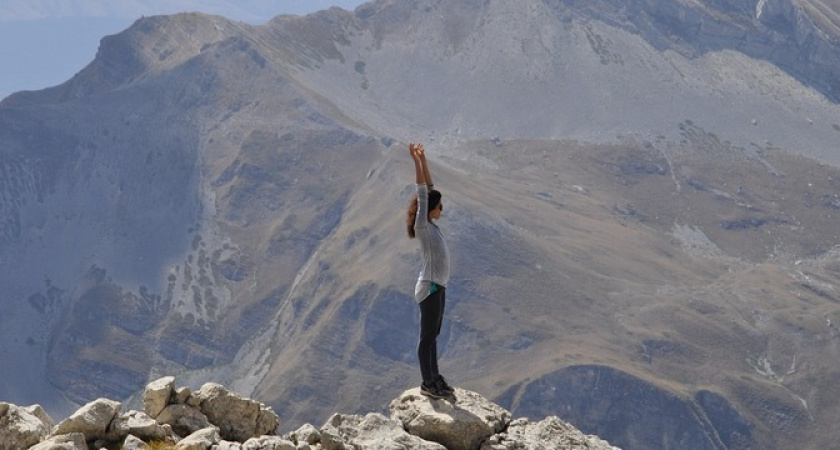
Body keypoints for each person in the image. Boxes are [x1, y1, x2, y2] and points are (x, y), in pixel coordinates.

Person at [406, 142, 455, 399]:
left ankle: (435, 377)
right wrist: (415, 162)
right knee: (427, 337)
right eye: (440, 206)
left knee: (434, 334)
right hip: (430, 287)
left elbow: (430, 189)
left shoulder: (432, 226)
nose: (441, 209)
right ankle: (427, 382)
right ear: (431, 209)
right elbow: (423, 193)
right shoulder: (423, 227)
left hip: (439, 286)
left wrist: (424, 160)